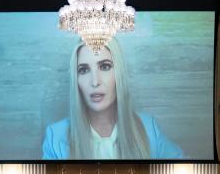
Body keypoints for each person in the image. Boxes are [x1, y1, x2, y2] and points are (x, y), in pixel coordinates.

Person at [42, 38, 183, 159]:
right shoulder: (55, 136)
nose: (95, 82)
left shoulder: (149, 128)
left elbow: (183, 172)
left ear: (119, 74)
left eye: (104, 67)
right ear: (76, 80)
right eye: (84, 70)